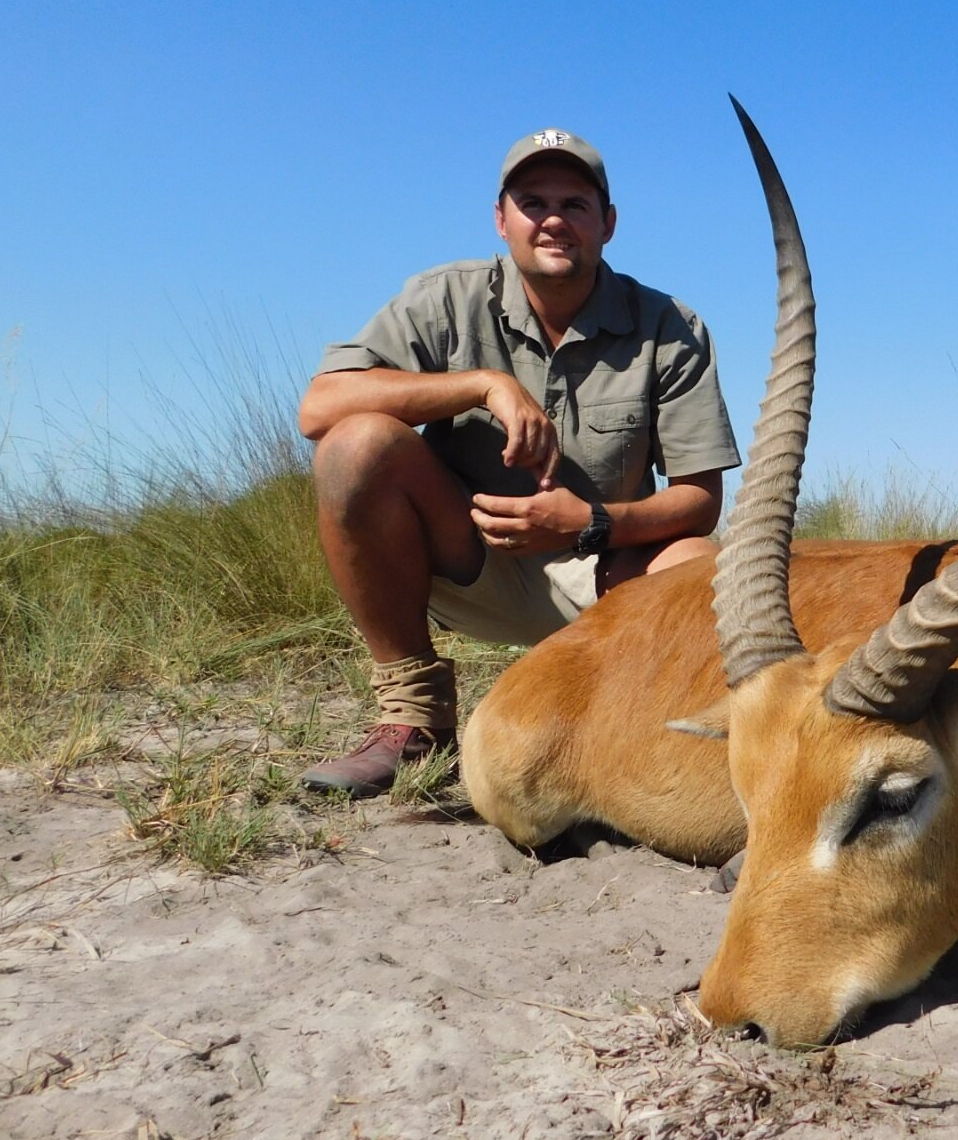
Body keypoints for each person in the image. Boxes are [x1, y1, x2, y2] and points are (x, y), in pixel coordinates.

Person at [297, 128, 741, 796]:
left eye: (576, 203)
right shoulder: (442, 297)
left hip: (608, 576)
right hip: (467, 562)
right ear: (501, 219)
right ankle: (413, 717)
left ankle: (637, 731)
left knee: (706, 565)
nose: (554, 219)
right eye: (533, 202)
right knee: (355, 446)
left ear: (608, 224)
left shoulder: (671, 327)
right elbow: (319, 407)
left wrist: (587, 523)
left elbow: (700, 501)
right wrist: (484, 385)